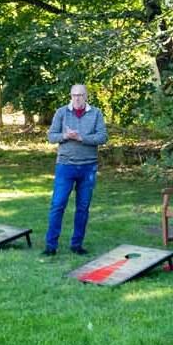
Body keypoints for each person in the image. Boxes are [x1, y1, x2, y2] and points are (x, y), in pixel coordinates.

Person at [43, 84, 108, 256]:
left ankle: (77, 244)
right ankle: (51, 246)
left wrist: (81, 138)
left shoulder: (96, 113)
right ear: (70, 96)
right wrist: (65, 136)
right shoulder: (62, 112)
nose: (77, 98)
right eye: (74, 95)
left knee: (83, 207)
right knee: (58, 205)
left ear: (86, 96)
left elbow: (103, 137)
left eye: (80, 95)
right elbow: (51, 136)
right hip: (65, 165)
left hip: (88, 167)